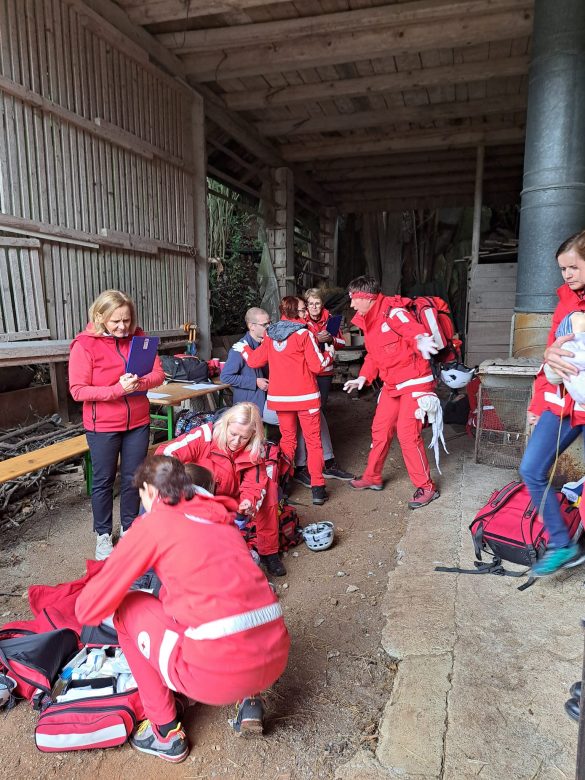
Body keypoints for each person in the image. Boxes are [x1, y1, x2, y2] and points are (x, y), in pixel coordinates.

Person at [75, 455, 290, 762]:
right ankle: (250, 701)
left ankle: (165, 733)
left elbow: (87, 609)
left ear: (151, 492)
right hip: (273, 656)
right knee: (216, 600)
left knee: (128, 609)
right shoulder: (221, 519)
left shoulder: (155, 523)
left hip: (218, 674)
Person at [69, 290, 165, 560]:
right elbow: (78, 391)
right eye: (116, 322)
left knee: (134, 478)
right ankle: (102, 535)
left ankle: (129, 528)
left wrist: (140, 384)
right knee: (103, 481)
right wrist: (116, 390)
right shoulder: (84, 345)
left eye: (127, 320)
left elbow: (158, 373)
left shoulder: (140, 338)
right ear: (100, 317)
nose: (123, 327)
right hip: (103, 426)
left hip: (137, 421)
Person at [343, 276, 441, 509]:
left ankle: (426, 486)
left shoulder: (392, 311)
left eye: (354, 300)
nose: (352, 305)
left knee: (407, 434)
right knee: (380, 429)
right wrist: (363, 377)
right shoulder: (369, 319)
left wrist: (420, 340)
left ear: (366, 297)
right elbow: (374, 355)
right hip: (393, 384)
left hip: (416, 381)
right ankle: (372, 476)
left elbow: (410, 328)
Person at [519, 230, 585, 576]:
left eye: (573, 267)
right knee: (531, 469)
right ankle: (563, 545)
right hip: (564, 405)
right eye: (562, 269)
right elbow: (550, 357)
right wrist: (537, 401)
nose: (567, 275)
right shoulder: (565, 301)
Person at [156, 402, 286, 576]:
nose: (236, 441)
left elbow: (255, 482)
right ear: (225, 425)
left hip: (233, 499)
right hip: (201, 494)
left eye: (243, 437)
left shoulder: (256, 448)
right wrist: (180, 485)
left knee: (269, 489)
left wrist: (249, 501)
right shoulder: (205, 435)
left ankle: (268, 552)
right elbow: (165, 455)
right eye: (233, 434)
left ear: (253, 435)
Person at [232, 296, 334, 506]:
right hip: (306, 397)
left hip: (280, 399)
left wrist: (243, 348)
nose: (307, 312)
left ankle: (284, 484)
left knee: (287, 440)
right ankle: (317, 489)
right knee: (313, 442)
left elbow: (254, 360)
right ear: (295, 312)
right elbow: (318, 366)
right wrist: (330, 355)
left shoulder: (271, 334)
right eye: (303, 309)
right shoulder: (304, 334)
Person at [294, 291, 354, 485]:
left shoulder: (331, 319)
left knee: (316, 413)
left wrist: (330, 339)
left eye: (317, 303)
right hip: (306, 372)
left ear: (322, 304)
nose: (313, 307)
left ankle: (318, 464)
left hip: (324, 373)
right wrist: (314, 339)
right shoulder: (300, 320)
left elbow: (343, 342)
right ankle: (310, 465)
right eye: (310, 303)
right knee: (311, 414)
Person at [220, 307, 271, 418]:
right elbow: (225, 377)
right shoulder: (238, 349)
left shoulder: (267, 343)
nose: (269, 328)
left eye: (269, 323)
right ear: (251, 326)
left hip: (268, 398)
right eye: (264, 325)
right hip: (249, 406)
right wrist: (255, 382)